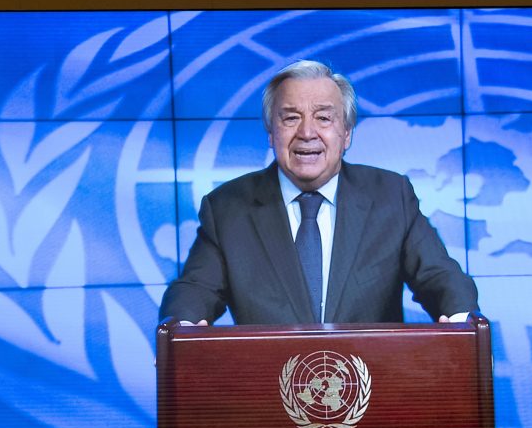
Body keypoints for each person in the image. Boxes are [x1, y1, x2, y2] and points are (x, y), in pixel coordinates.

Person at [158, 59, 479, 325]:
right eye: (291, 118)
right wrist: (181, 329)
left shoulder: (391, 196)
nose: (307, 133)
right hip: (267, 391)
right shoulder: (228, 208)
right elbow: (196, 288)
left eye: (323, 118)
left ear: (347, 134)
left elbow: (439, 276)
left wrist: (463, 320)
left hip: (370, 388)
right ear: (271, 133)